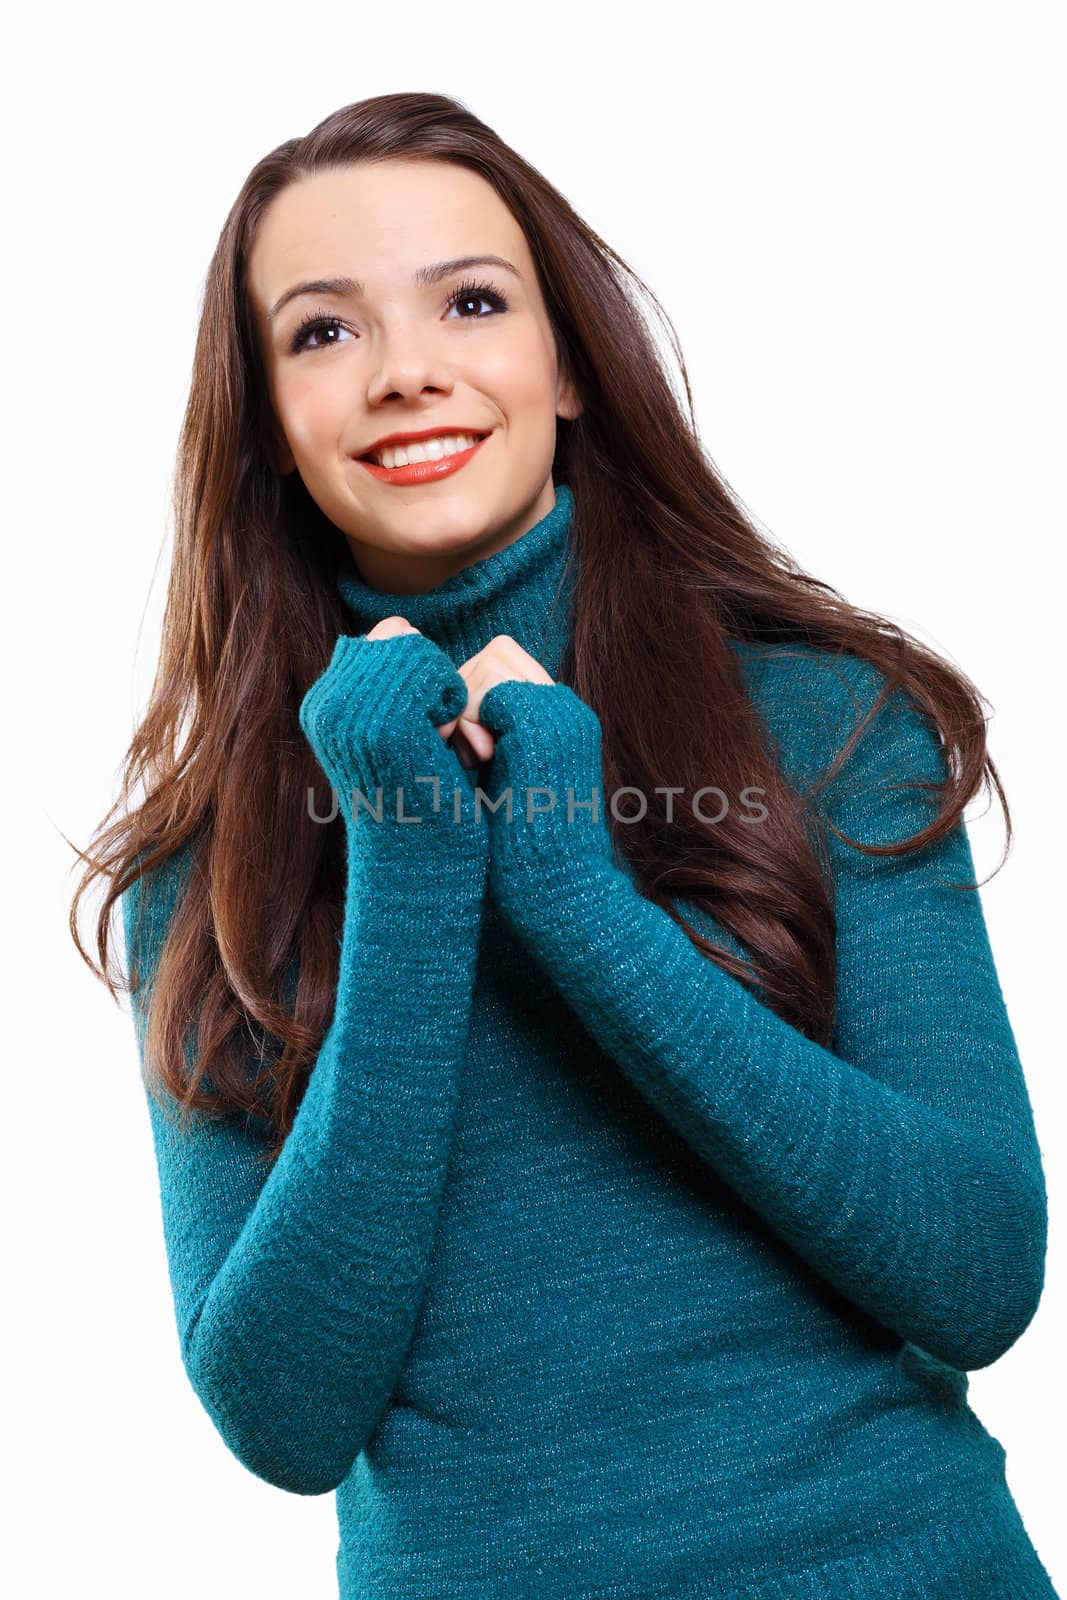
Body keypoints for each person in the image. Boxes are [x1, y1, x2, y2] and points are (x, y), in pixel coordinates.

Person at [71, 90, 1060, 1599]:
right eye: (323, 333)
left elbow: (979, 1276)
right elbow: (282, 1418)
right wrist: (411, 858)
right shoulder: (209, 868)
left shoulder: (826, 723)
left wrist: (575, 897)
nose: (408, 373)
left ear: (569, 363)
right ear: (266, 425)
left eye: (471, 302)